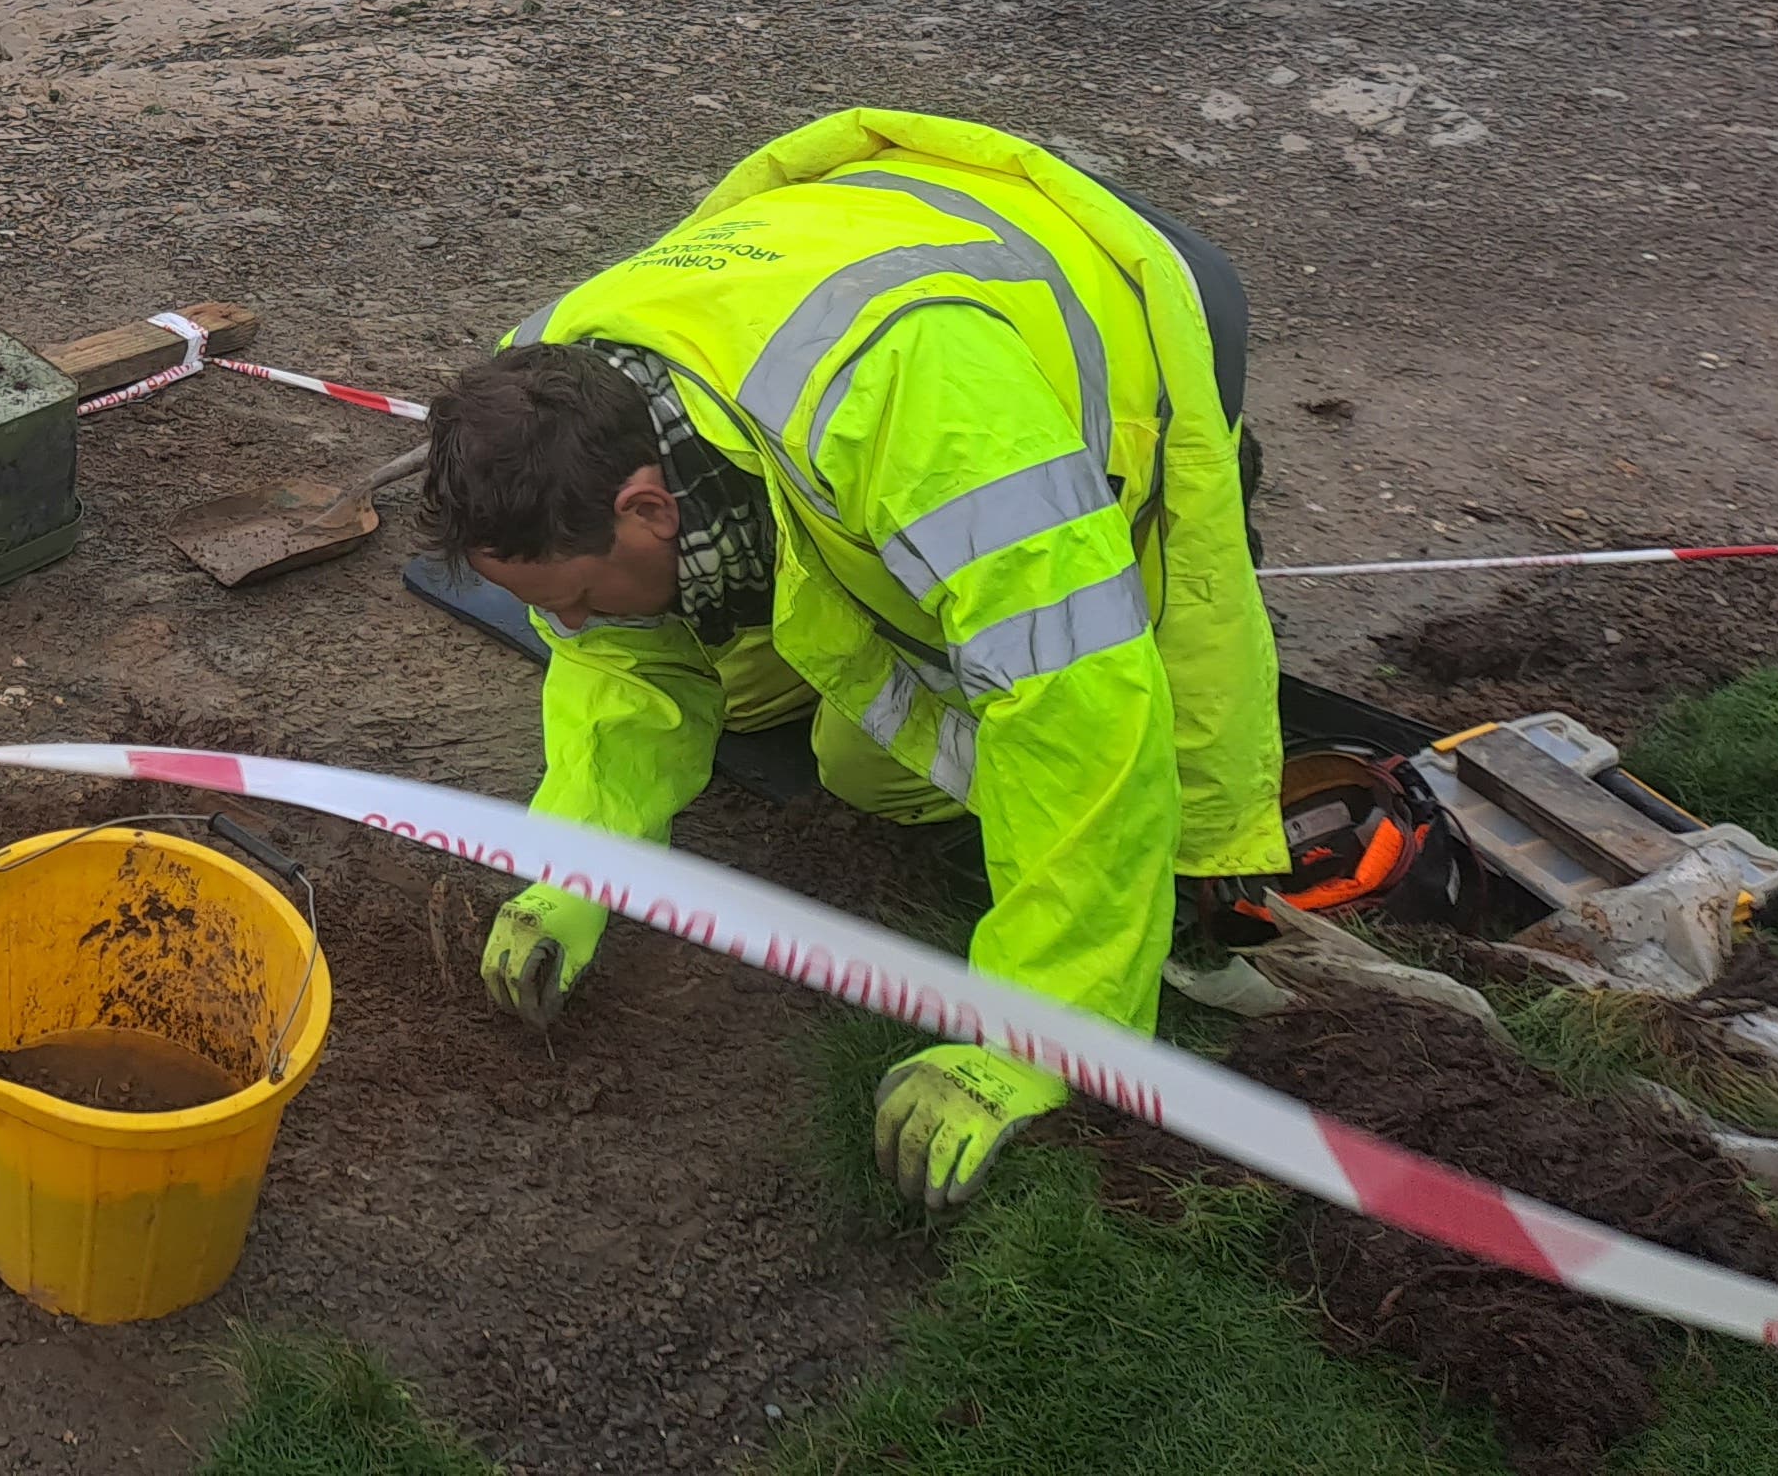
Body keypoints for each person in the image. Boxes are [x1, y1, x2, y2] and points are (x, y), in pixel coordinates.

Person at [422, 107, 1285, 1209]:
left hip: (1111, 324)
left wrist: (1033, 1037)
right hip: (880, 264)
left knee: (873, 760)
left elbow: (1077, 714)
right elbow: (621, 667)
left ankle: (1135, 514)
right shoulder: (552, 384)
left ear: (648, 506)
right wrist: (577, 875)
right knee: (755, 675)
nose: (573, 628)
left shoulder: (925, 415)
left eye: (580, 597)